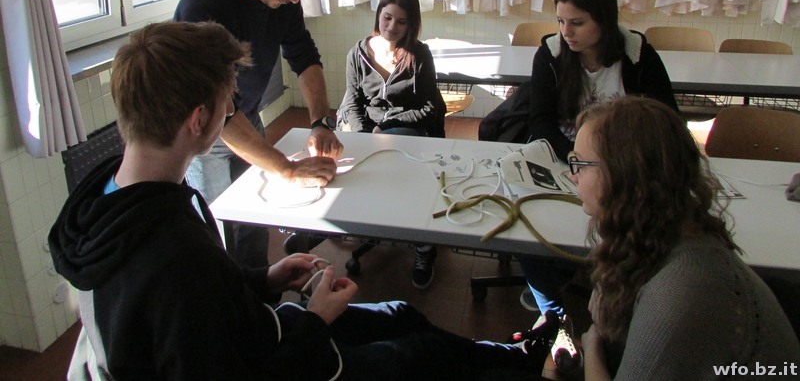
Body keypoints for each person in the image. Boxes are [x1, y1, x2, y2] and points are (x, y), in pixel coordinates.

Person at [49, 21, 560, 380]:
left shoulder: (111, 195)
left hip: (262, 333)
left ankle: (513, 357)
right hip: (285, 361)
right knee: (417, 355)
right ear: (199, 119)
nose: (234, 112)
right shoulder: (173, 256)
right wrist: (314, 320)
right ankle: (519, 367)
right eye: (230, 102)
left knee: (401, 314)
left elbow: (209, 305)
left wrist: (265, 279)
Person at [519, 0, 678, 374]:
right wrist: (576, 160)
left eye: (577, 22)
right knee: (525, 222)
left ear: (604, 21)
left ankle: (613, 301)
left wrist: (608, 164)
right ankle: (553, 310)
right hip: (565, 160)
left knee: (625, 222)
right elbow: (540, 121)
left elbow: (666, 120)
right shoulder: (551, 54)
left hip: (620, 168)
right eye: (560, 21)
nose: (565, 32)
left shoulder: (638, 55)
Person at [574, 97, 800, 380]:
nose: (573, 176)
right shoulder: (665, 236)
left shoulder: (679, 292)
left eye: (580, 164)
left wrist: (592, 344)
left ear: (624, 175)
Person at [173, 0, 343, 269]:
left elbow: (304, 56)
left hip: (245, 116)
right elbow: (216, 108)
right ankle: (227, 299)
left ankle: (260, 293)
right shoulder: (205, 4)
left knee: (254, 221)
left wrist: (320, 122)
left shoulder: (281, 2)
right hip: (203, 132)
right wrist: (289, 169)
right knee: (217, 229)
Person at [338, 0, 446, 289]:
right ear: (378, 15)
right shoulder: (358, 53)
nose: (391, 26)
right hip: (367, 127)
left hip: (406, 126)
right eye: (387, 17)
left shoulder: (419, 54)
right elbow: (352, 101)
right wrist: (363, 135)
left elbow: (430, 107)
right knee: (345, 152)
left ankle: (424, 247)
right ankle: (362, 219)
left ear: (412, 24)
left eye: (401, 21)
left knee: (398, 166)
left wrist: (387, 125)